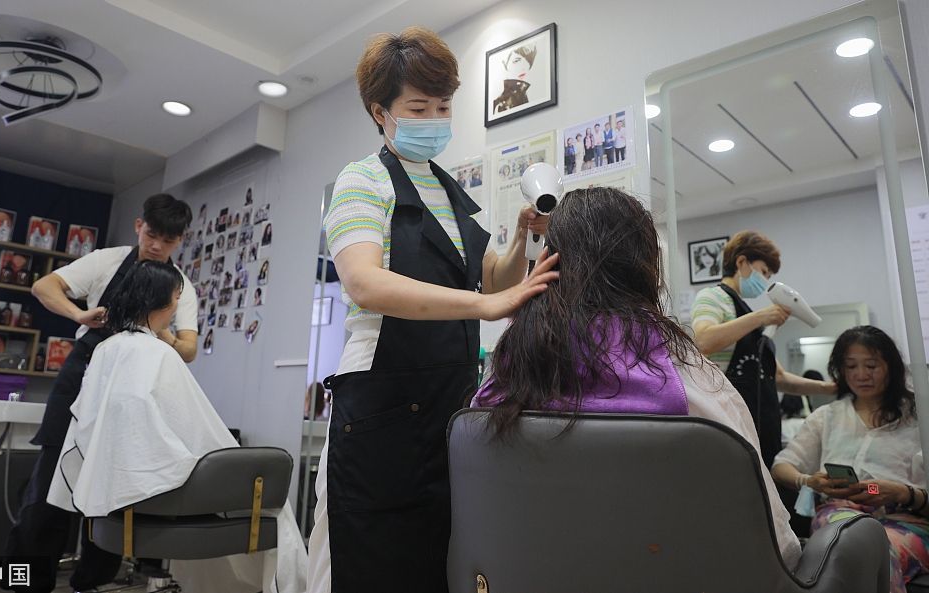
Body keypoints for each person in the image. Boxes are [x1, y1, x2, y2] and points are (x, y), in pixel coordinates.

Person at [308, 27, 559, 593]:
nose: (435, 118)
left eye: (443, 107)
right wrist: (485, 304)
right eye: (418, 108)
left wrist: (521, 237)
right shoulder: (362, 180)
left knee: (440, 559)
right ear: (381, 112)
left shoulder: (450, 190)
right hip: (383, 402)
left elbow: (493, 278)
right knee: (376, 563)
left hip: (450, 399)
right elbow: (365, 283)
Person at [471, 186, 802, 568]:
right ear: (648, 270)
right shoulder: (689, 382)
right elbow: (777, 547)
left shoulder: (504, 376)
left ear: (546, 261)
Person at [47, 260, 306, 592]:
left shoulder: (105, 350)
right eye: (175, 298)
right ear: (161, 302)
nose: (176, 307)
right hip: (160, 495)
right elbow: (205, 437)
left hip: (115, 501)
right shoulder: (159, 354)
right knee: (275, 508)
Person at [4, 194, 196, 593]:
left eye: (167, 240)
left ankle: (91, 582)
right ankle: (27, 581)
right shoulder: (106, 261)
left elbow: (189, 349)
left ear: (181, 240)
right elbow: (44, 286)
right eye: (151, 234)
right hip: (83, 374)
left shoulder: (181, 287)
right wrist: (79, 314)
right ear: (138, 226)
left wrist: (162, 332)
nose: (156, 245)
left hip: (132, 387)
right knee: (51, 475)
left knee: (113, 481)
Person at [772, 327, 927, 592]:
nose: (861, 375)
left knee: (874, 547)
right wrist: (809, 481)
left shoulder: (919, 419)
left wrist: (902, 493)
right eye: (851, 366)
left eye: (871, 366)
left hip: (905, 519)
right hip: (841, 513)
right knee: (854, 543)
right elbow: (781, 466)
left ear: (891, 367)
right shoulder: (827, 417)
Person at [691, 230, 835, 468]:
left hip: (763, 427)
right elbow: (703, 340)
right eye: (764, 272)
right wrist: (761, 317)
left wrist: (830, 388)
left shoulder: (748, 316)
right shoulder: (712, 297)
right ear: (741, 262)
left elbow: (779, 378)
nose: (765, 281)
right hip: (731, 425)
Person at [492, 43, 536, 114]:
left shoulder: (528, 93)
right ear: (504, 65)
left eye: (528, 61)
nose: (524, 67)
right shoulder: (502, 103)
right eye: (516, 61)